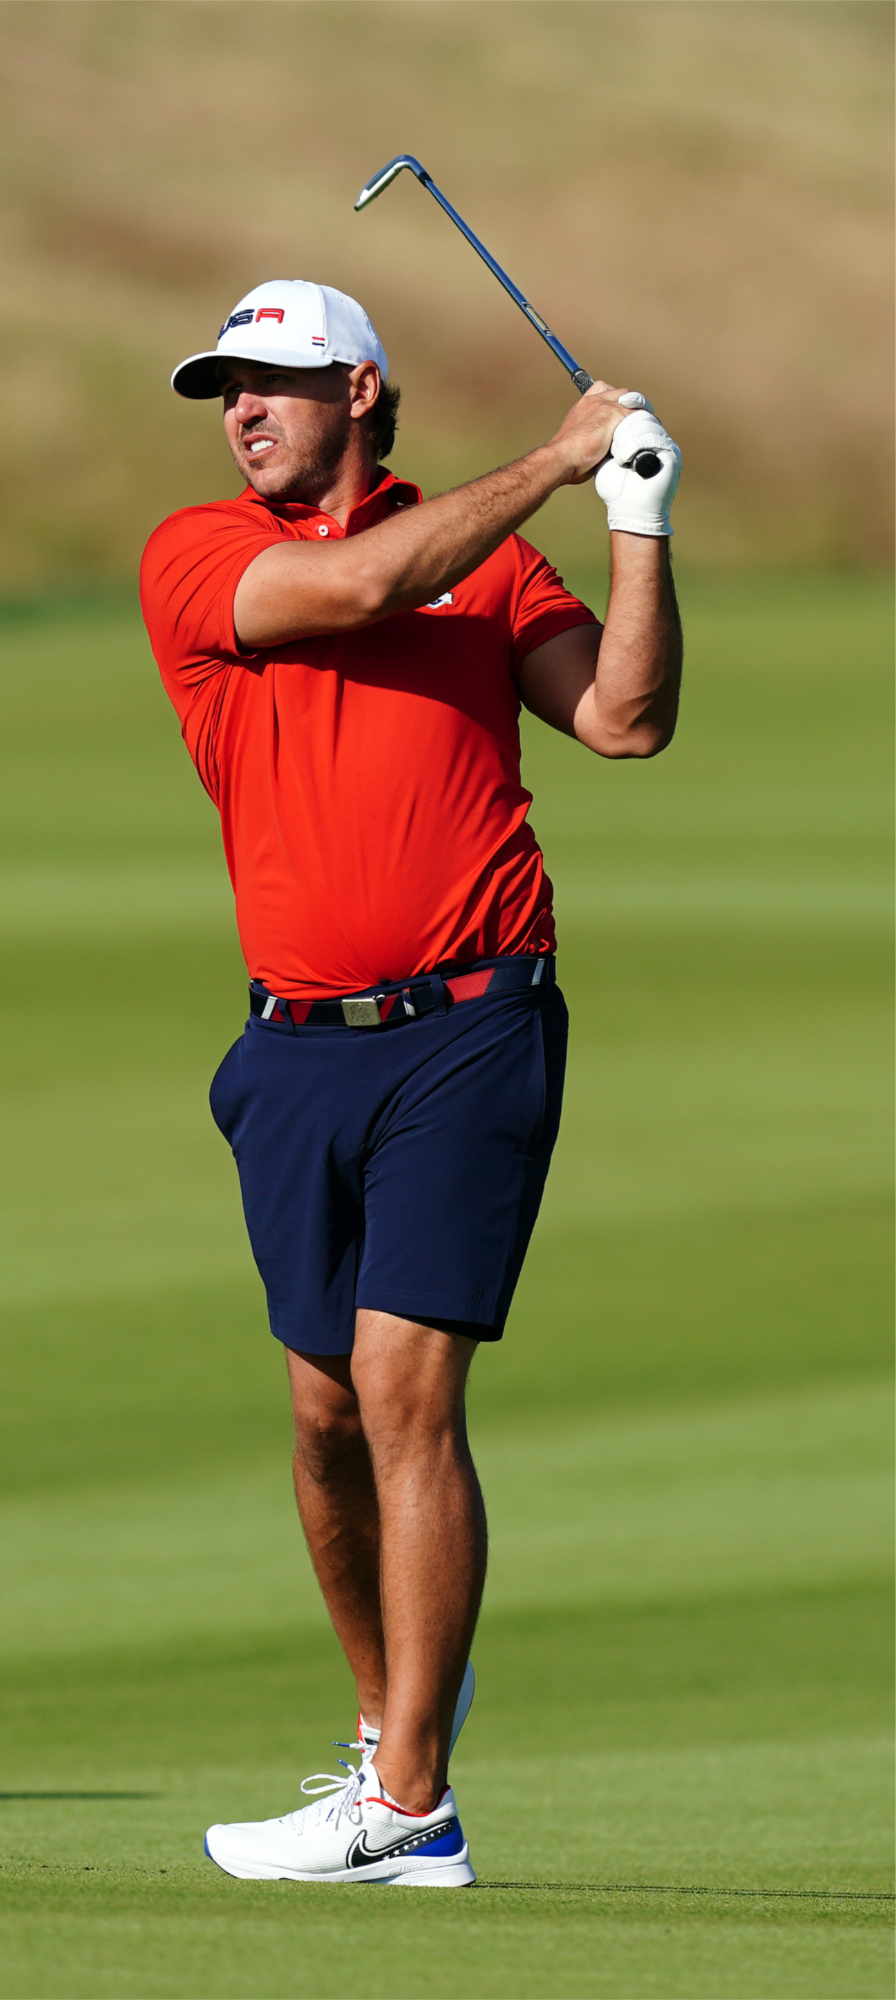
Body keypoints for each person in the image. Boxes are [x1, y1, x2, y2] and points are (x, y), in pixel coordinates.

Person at [139, 280, 681, 1885]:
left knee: (401, 1391)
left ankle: (410, 1804)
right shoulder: (203, 553)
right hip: (293, 1049)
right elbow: (361, 583)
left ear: (360, 391)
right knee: (321, 1421)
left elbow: (627, 720)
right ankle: (386, 1751)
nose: (243, 409)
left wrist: (638, 523)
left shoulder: (490, 565)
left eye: (277, 383)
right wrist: (557, 458)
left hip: (471, 1024)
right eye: (226, 386)